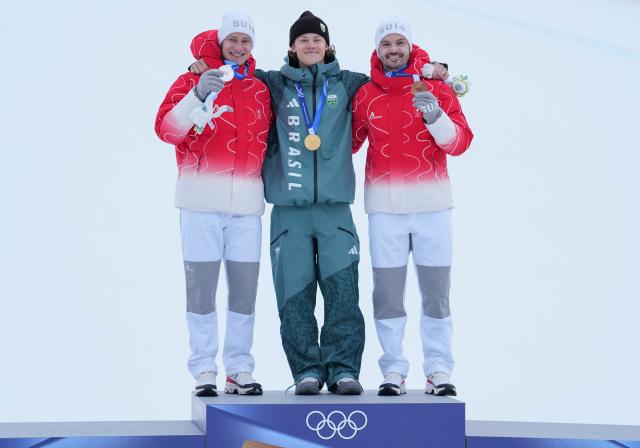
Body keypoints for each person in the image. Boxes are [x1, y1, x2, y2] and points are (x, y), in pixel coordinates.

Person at [352, 17, 474, 396]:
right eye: (386, 44)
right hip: (384, 211)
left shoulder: (436, 87)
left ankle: (438, 369)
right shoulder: (366, 94)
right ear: (378, 49)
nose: (393, 50)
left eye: (399, 43)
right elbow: (349, 142)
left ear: (409, 46)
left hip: (432, 208)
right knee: (387, 295)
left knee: (436, 293)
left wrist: (435, 115)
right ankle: (393, 369)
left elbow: (460, 143)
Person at [154, 12, 271, 397]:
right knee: (202, 290)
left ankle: (239, 368)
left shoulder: (259, 89)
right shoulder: (192, 80)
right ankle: (204, 368)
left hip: (246, 208)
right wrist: (198, 93)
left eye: (246, 41)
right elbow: (167, 130)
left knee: (243, 292)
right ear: (220, 42)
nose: (239, 47)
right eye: (232, 40)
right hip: (200, 202)